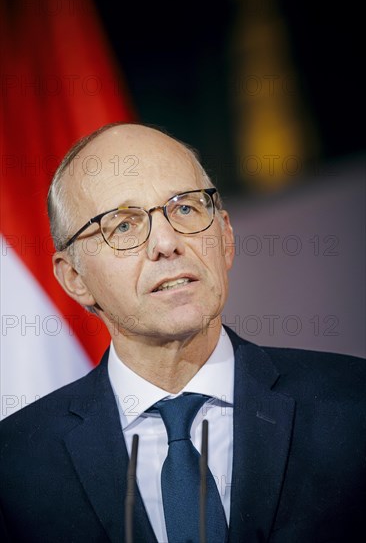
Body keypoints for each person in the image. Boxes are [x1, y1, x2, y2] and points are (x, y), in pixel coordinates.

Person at [0, 122, 365, 543]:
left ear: (225, 237)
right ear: (74, 278)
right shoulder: (15, 465)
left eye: (186, 208)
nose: (167, 242)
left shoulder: (354, 406)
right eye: (122, 225)